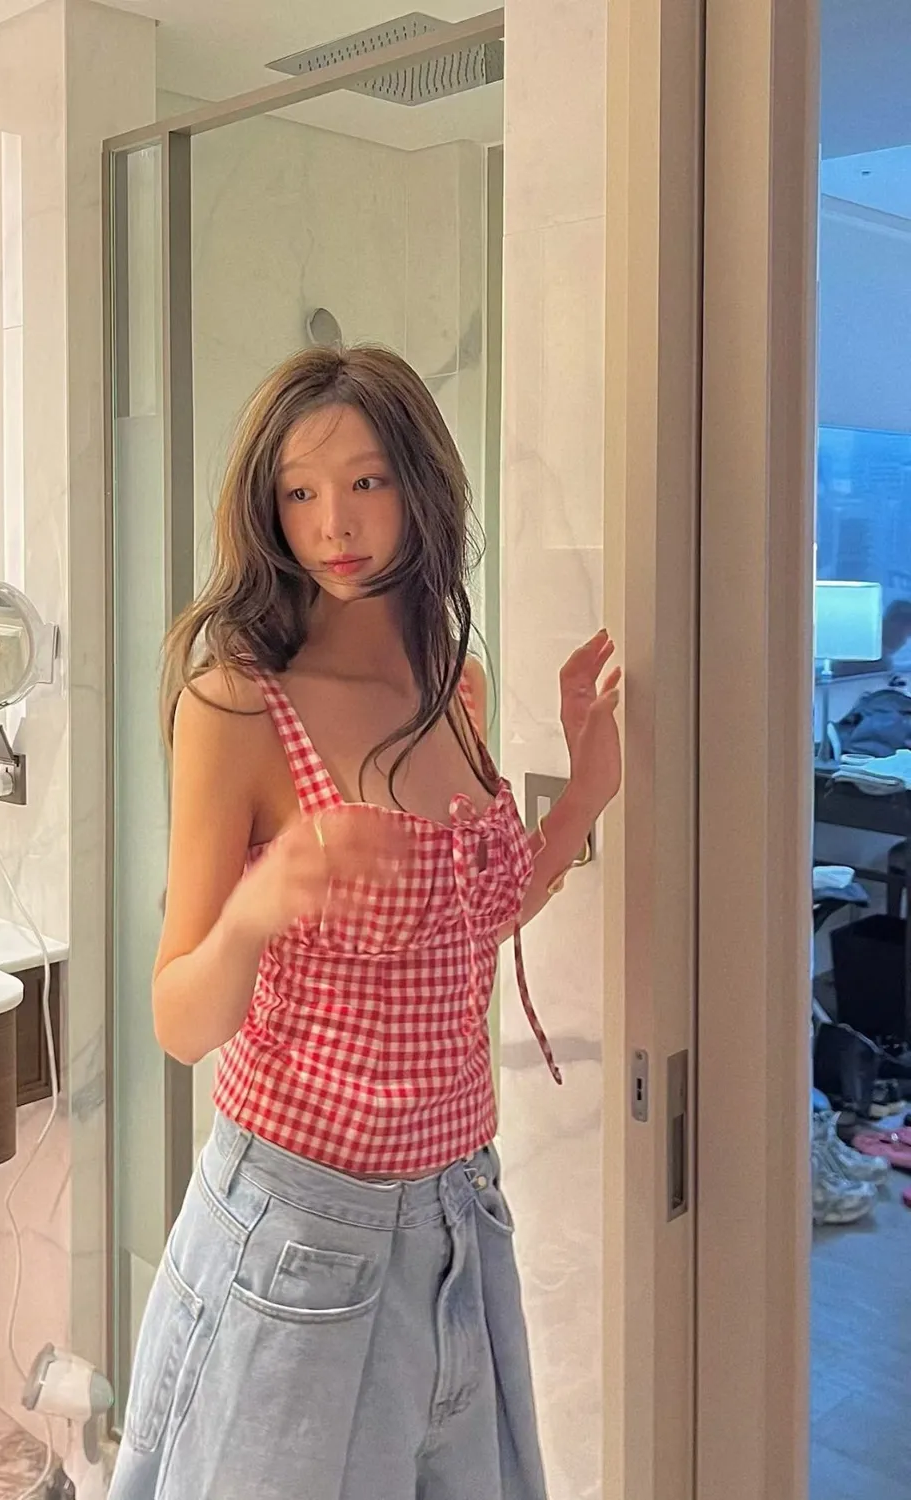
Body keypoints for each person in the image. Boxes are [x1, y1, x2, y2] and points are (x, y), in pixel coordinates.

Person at [108, 344, 622, 1500]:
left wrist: (585, 793)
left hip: (460, 1225)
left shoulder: (454, 684)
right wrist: (258, 907)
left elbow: (469, 924)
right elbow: (179, 1021)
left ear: (419, 484)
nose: (333, 524)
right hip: (297, 1236)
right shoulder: (240, 703)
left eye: (366, 482)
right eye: (299, 492)